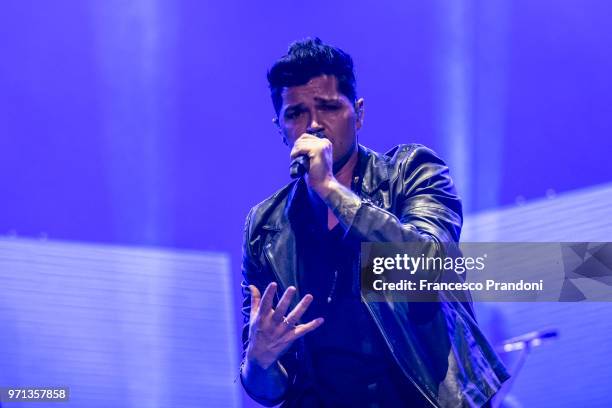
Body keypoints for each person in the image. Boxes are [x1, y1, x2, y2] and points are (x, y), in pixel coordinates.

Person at [239, 37, 509, 407]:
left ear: (359, 113)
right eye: (295, 113)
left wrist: (332, 190)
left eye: (329, 107)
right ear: (279, 127)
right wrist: (259, 360)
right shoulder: (265, 226)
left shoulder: (411, 173)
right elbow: (267, 389)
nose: (314, 125)